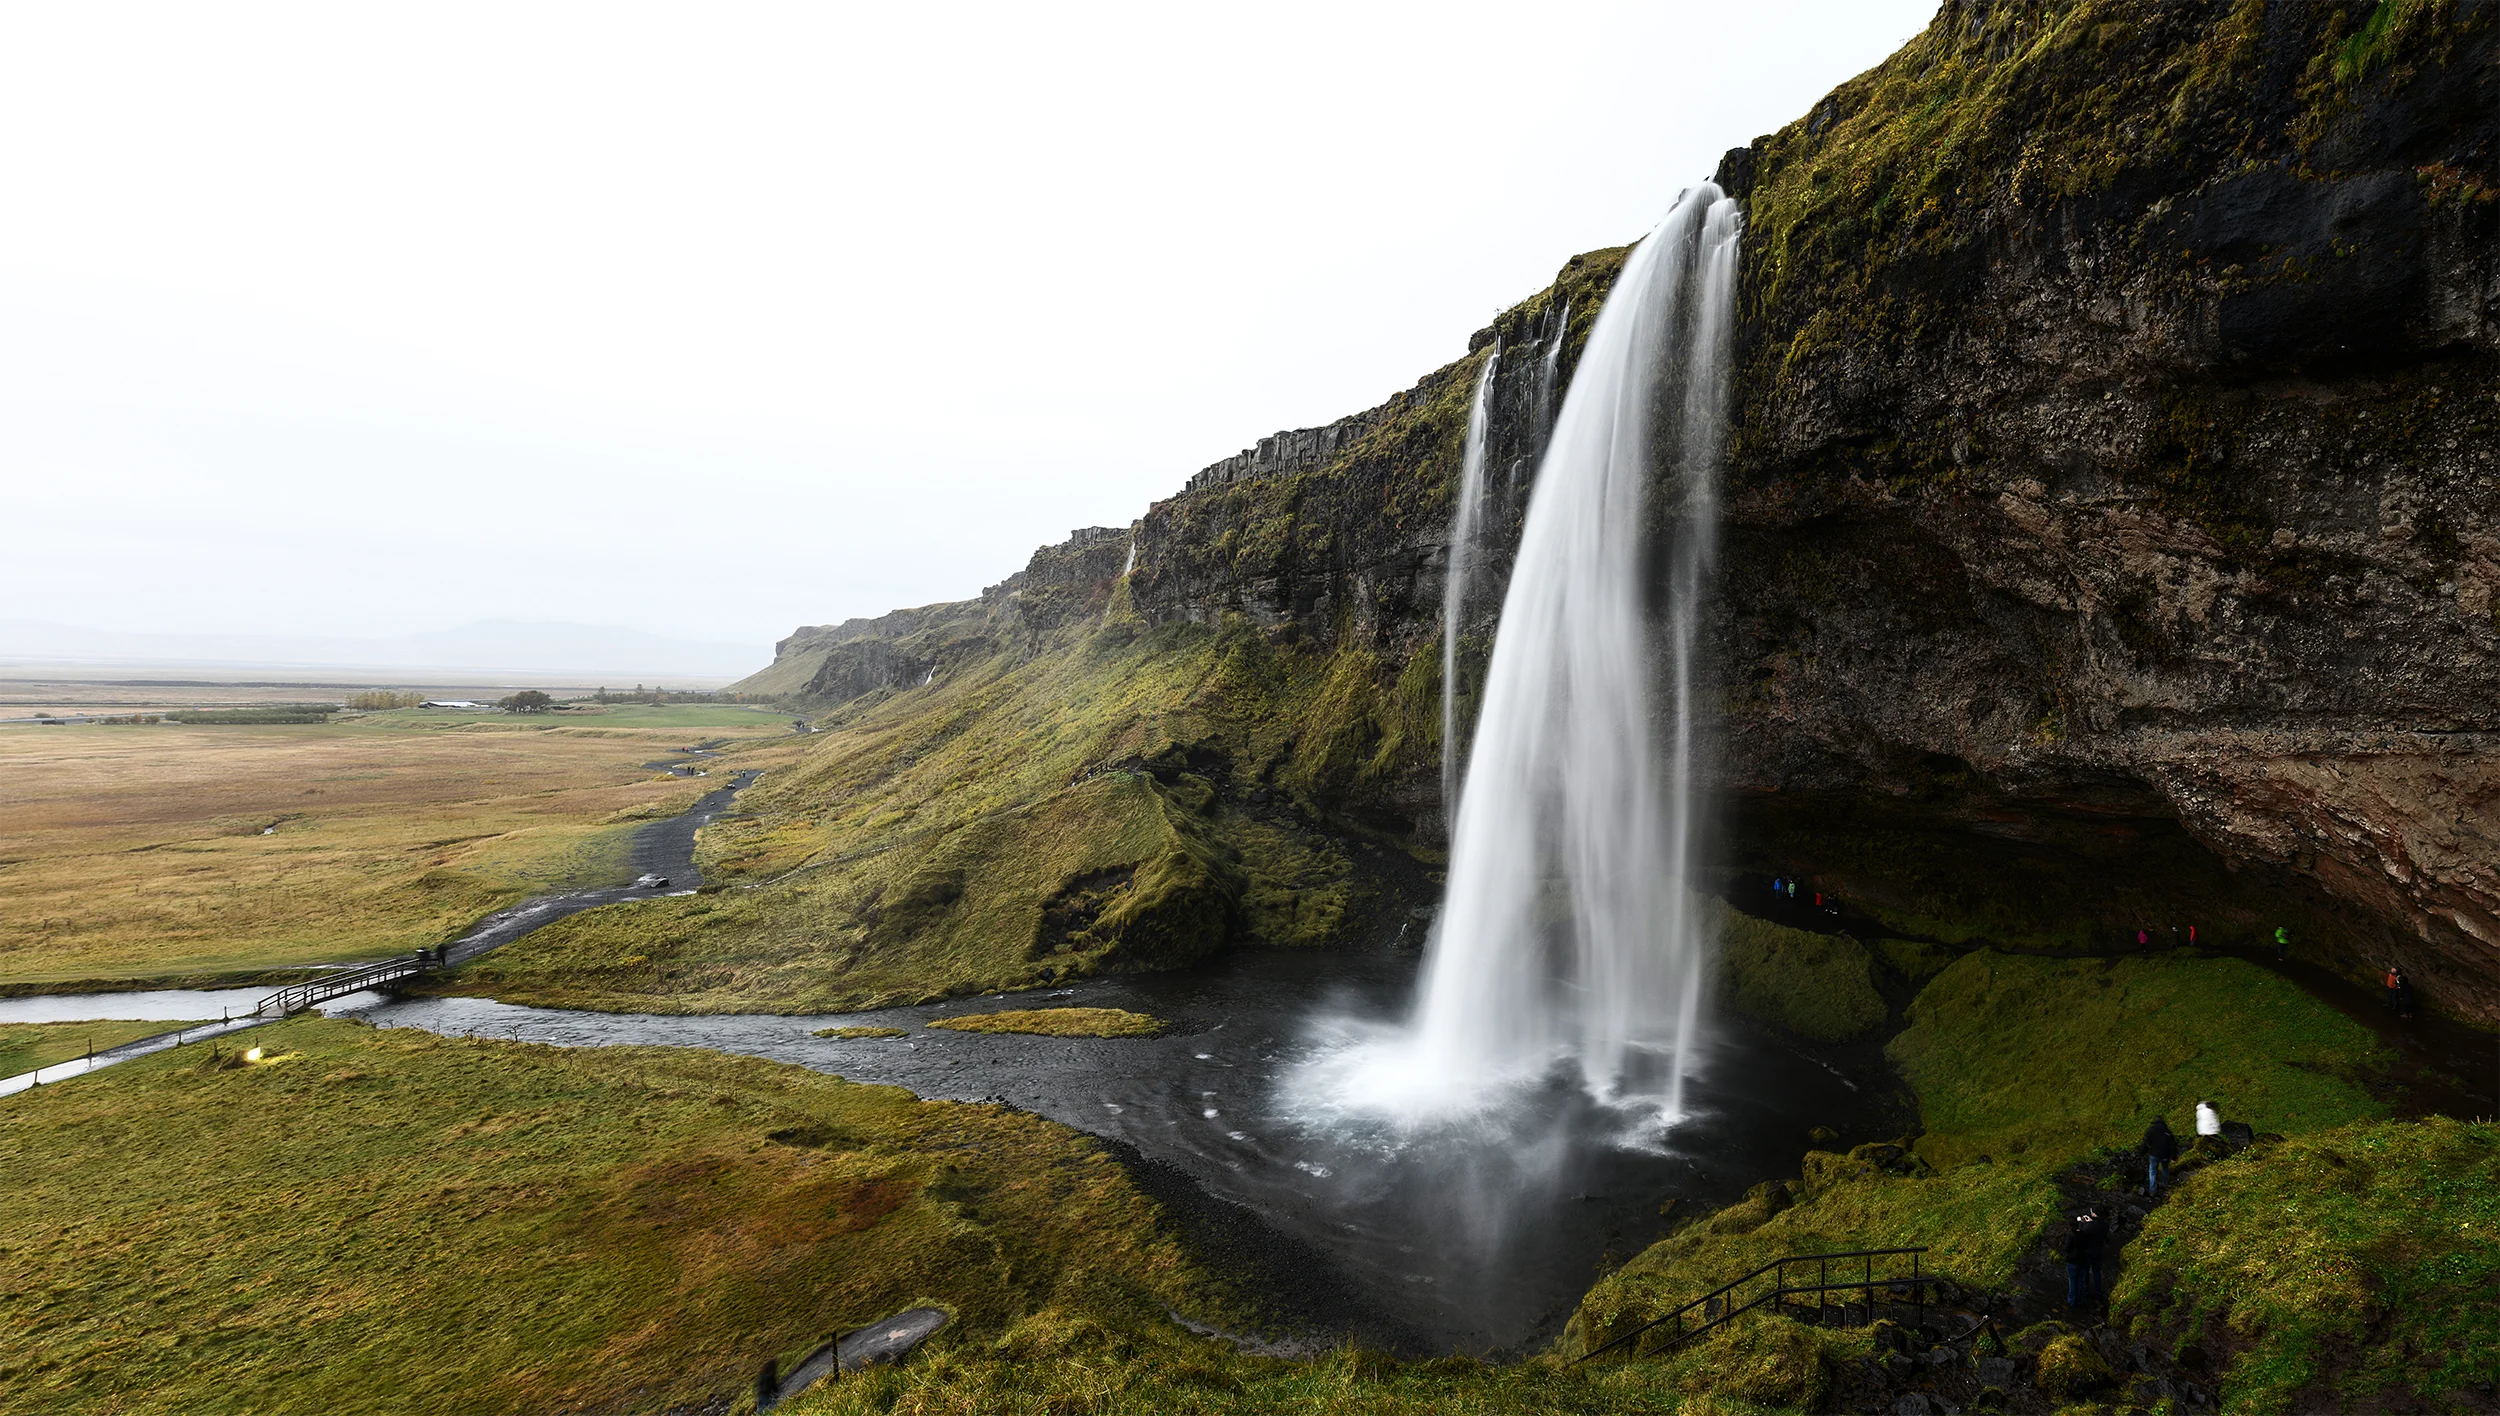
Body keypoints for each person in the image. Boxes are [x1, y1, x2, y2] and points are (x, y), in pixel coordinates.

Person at [2064, 1208, 2105, 1307]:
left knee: (2074, 1280)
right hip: (2089, 1255)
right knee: (2085, 1277)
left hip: (2075, 1259)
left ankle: (2073, 1299)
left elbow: (2067, 1248)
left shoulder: (2071, 1235)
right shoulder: (2104, 1225)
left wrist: (2085, 1223)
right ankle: (2084, 1297)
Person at [2143, 1114, 2178, 1197]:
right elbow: (2172, 1145)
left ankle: (2152, 1191)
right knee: (2165, 1169)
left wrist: (2142, 1152)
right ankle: (2165, 1185)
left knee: (2152, 1172)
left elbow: (2146, 1142)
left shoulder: (2151, 1130)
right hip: (2165, 1155)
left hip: (2154, 1154)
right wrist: (2173, 1157)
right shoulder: (2167, 1131)